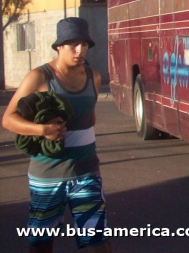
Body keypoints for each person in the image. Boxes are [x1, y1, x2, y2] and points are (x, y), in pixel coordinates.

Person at [2, 17, 111, 253]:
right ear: (59, 46)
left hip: (86, 173)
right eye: (73, 44)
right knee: (42, 244)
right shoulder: (40, 77)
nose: (80, 50)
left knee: (98, 243)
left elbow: (89, 119)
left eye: (84, 44)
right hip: (47, 176)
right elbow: (8, 119)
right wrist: (42, 130)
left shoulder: (95, 77)